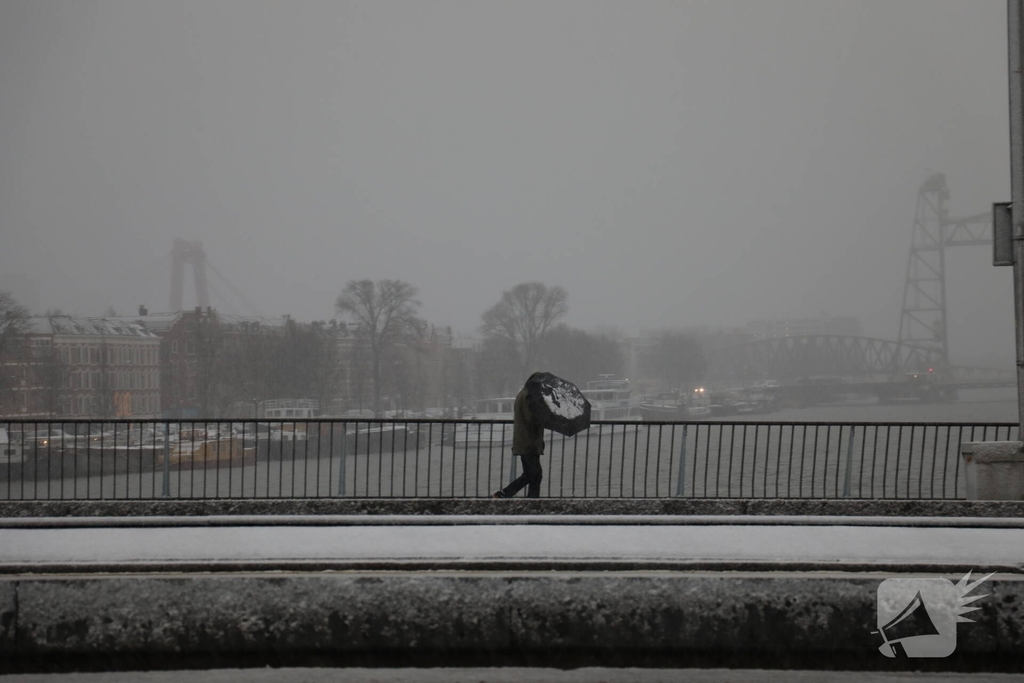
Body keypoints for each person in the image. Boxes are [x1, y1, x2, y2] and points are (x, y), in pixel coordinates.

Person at [492, 372, 546, 498]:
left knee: (530, 474)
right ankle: (529, 501)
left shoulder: (524, 394)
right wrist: (543, 416)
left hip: (525, 442)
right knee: (535, 474)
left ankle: (504, 495)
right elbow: (531, 419)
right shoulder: (530, 397)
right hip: (529, 443)